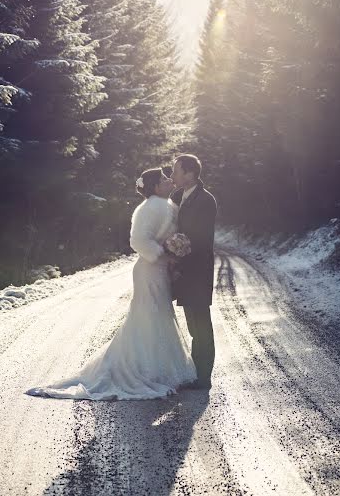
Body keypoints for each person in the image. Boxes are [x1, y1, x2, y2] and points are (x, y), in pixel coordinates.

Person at [24, 168, 196, 401]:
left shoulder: (168, 205)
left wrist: (172, 253)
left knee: (160, 314)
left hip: (161, 270)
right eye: (164, 179)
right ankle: (144, 371)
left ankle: (159, 369)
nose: (169, 181)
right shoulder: (148, 208)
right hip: (149, 269)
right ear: (155, 187)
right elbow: (137, 240)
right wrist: (162, 252)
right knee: (148, 316)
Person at [170, 154, 217, 390]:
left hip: (198, 270)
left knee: (201, 323)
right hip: (184, 271)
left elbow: (201, 237)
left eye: (176, 171)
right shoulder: (178, 196)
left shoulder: (206, 200)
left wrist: (177, 247)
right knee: (191, 323)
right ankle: (196, 372)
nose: (172, 175)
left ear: (189, 173)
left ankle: (204, 377)